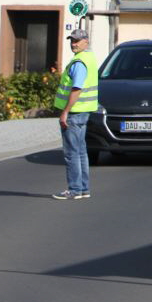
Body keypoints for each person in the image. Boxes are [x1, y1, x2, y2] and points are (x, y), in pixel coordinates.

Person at [52, 29, 98, 200]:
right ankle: (83, 189)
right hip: (83, 111)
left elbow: (77, 88)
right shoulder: (90, 58)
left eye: (77, 40)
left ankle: (74, 189)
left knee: (72, 153)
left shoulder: (79, 63)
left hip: (74, 112)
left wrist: (65, 112)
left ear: (86, 41)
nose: (74, 43)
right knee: (80, 152)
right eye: (72, 40)